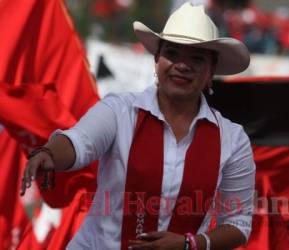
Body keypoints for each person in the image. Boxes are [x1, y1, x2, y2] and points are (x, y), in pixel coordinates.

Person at [21, 3, 255, 250]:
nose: (182, 65)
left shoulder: (233, 139)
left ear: (211, 71)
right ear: (157, 60)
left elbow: (239, 224)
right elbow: (78, 142)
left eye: (196, 58)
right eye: (172, 54)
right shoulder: (119, 111)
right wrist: (48, 153)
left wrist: (190, 244)